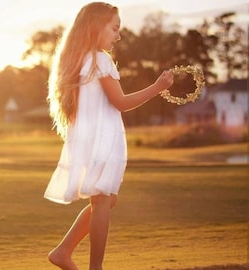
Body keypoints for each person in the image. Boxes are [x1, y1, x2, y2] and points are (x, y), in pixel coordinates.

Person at [44, 2, 174, 270]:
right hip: (102, 139)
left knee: (106, 200)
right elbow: (121, 102)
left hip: (88, 138)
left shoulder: (78, 58)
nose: (118, 35)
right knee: (103, 201)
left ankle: (63, 251)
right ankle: (95, 268)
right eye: (114, 28)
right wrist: (158, 87)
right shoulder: (100, 59)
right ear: (95, 27)